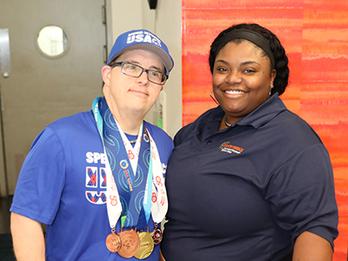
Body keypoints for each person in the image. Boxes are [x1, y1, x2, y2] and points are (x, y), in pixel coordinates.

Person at [161, 23, 338, 261]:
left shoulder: (293, 141)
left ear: (272, 77)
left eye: (249, 71)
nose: (232, 79)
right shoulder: (197, 129)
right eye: (222, 69)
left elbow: (313, 231)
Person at [10, 29, 174, 260]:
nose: (143, 79)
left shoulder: (164, 145)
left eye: (155, 72)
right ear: (107, 74)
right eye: (131, 66)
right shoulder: (61, 138)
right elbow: (26, 218)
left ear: (161, 86)